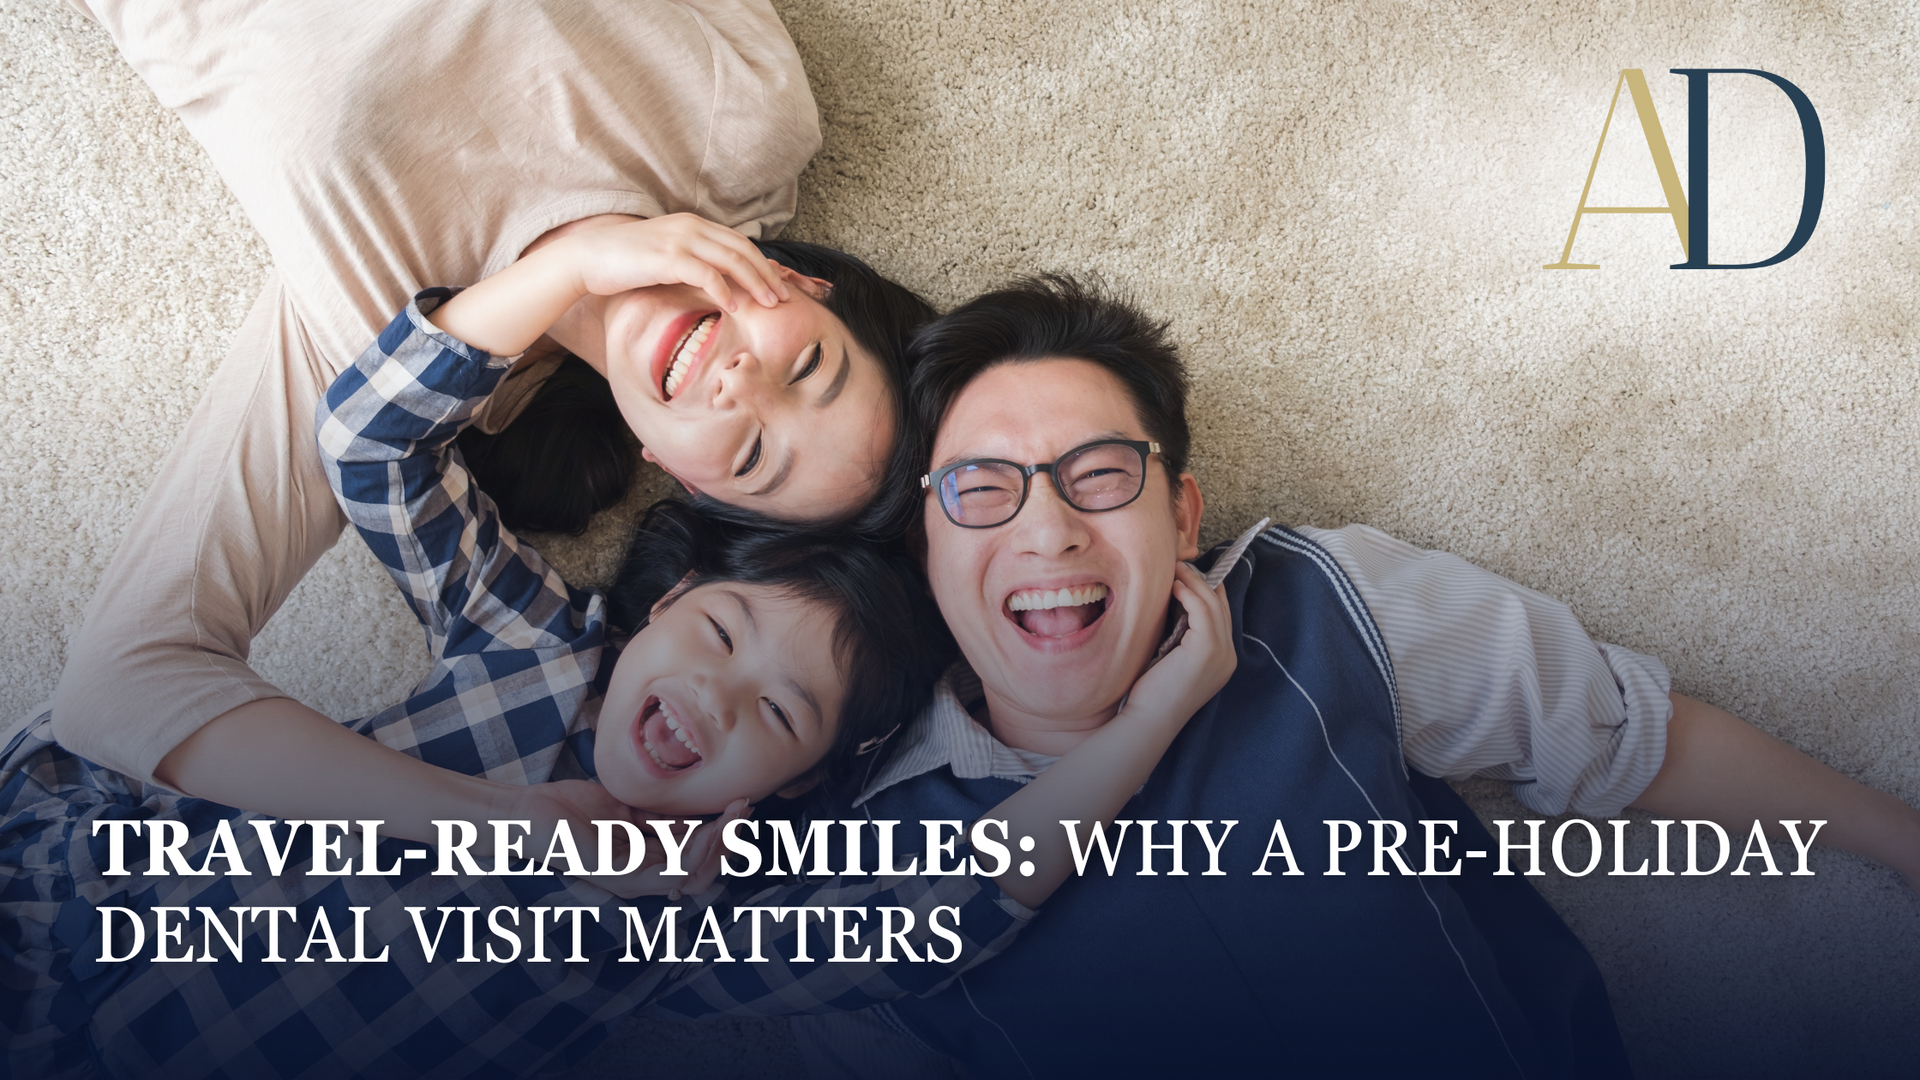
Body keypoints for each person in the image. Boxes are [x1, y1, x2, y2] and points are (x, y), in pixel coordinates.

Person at [0, 285, 1240, 1079]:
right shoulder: (534, 643)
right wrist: (577, 265)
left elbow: (959, 905)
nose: (717, 697)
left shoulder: (689, 919)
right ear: (664, 605)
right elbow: (369, 444)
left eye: (778, 718)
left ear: (792, 788)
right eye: (719, 636)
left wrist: (1156, 713)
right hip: (70, 895)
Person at [753, 275, 1920, 1077]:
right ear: (925, 546)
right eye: (983, 487)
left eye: (1099, 473)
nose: (1047, 531)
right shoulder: (867, 868)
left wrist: (1899, 836)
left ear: (1183, 513)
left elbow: (1625, 739)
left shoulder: (1328, 604)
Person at [50, 0, 931, 810]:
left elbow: (120, 687)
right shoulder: (745, 125)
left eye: (749, 457)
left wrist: (568, 273)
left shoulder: (373, 356)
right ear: (807, 285)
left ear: (673, 472)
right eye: (810, 365)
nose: (740, 389)